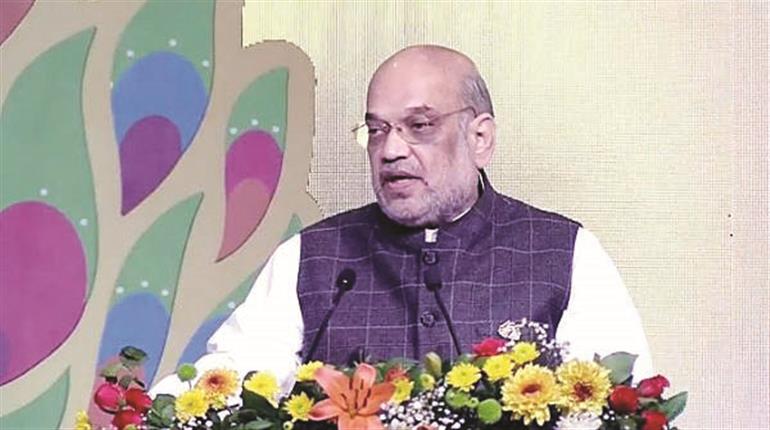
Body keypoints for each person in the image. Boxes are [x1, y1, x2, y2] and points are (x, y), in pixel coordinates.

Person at [152, 45, 652, 395]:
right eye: (376, 130)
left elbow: (617, 404)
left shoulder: (564, 252)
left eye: (420, 126)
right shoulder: (313, 257)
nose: (390, 150)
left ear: (479, 139)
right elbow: (231, 381)